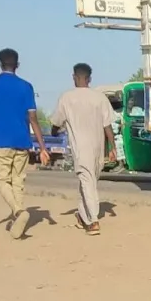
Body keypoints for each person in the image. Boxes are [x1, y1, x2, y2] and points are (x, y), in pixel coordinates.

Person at [0, 48, 49, 238]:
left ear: (0, 63)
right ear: (17, 65)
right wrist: (42, 147)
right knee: (18, 181)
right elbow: (33, 119)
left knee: (1, 180)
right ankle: (18, 218)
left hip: (1, 140)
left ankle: (18, 211)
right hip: (22, 141)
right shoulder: (26, 86)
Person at [50, 63, 117, 234]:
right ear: (89, 79)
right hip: (98, 148)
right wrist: (112, 147)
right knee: (88, 181)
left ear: (74, 77)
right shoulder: (99, 97)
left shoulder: (67, 97)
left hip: (81, 148)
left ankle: (93, 221)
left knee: (87, 183)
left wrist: (54, 131)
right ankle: (82, 216)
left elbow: (56, 122)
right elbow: (107, 125)